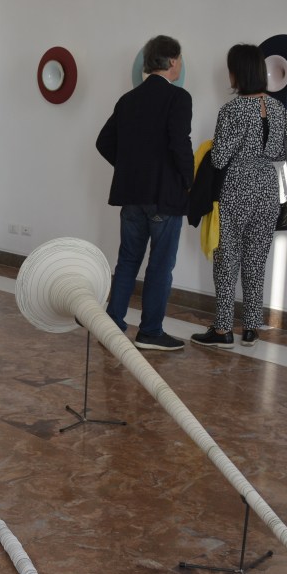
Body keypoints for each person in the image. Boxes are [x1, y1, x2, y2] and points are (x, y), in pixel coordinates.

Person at [96, 35, 193, 351]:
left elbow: (103, 142)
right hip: (164, 196)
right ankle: (150, 331)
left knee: (127, 261)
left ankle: (111, 324)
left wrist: (129, 167)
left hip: (131, 195)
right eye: (180, 59)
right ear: (172, 61)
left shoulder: (128, 100)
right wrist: (189, 181)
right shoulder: (178, 98)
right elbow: (180, 144)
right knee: (160, 266)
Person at [192, 44, 287, 348]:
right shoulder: (278, 109)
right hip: (267, 190)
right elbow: (283, 152)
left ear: (238, 72)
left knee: (227, 260)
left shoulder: (232, 110)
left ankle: (223, 329)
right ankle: (250, 328)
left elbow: (219, 158)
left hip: (236, 189)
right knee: (256, 261)